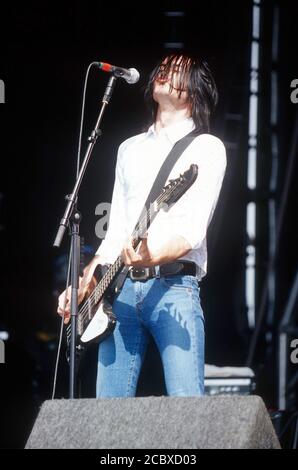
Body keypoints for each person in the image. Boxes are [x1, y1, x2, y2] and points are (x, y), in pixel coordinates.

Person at [57, 52, 227, 397]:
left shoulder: (207, 148)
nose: (164, 72)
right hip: (118, 291)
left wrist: (149, 256)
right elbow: (115, 229)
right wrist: (86, 285)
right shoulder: (129, 148)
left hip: (174, 288)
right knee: (109, 412)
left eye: (177, 70)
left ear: (195, 91)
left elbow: (191, 231)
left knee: (187, 406)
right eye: (163, 67)